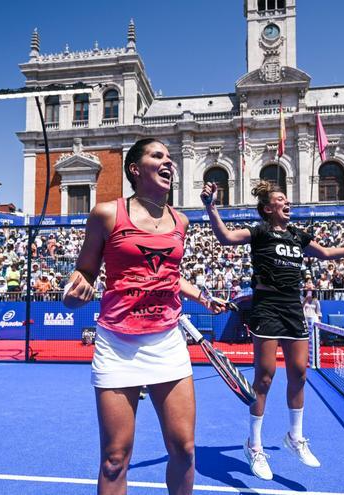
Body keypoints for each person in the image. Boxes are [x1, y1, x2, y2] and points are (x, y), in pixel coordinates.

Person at [63, 138, 223, 495]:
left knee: (184, 449)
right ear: (135, 169)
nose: (168, 162)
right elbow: (84, 272)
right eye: (157, 156)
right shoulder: (106, 213)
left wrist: (199, 293)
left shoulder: (180, 221)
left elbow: (165, 273)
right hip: (117, 344)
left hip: (167, 341)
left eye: (169, 157)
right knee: (115, 458)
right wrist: (76, 291)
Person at [201, 180, 344, 480]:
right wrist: (210, 206)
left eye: (286, 198)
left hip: (293, 308)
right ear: (268, 208)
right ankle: (253, 445)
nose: (287, 202)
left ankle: (295, 437)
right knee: (264, 377)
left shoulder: (297, 235)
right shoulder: (259, 232)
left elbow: (327, 253)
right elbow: (226, 237)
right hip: (267, 307)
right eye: (281, 199)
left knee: (299, 373)